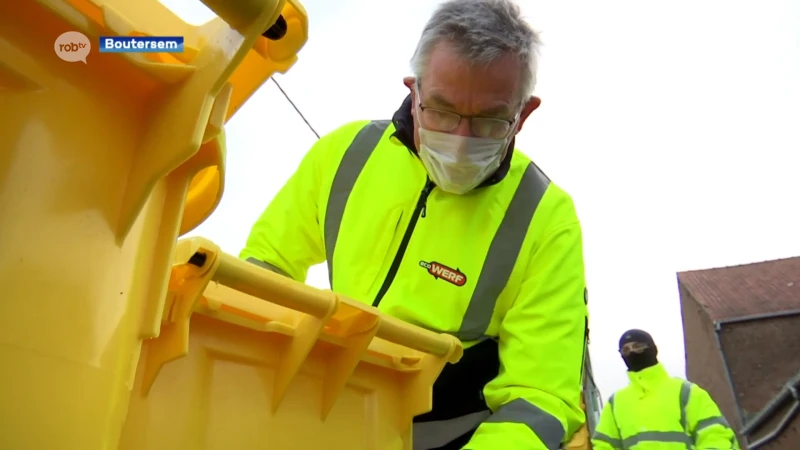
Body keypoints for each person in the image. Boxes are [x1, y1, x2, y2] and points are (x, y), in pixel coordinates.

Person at [241, 0, 589, 448]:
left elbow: (539, 396)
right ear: (413, 91)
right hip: (315, 420)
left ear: (523, 114)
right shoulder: (344, 155)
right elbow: (263, 269)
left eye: (488, 121)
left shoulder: (546, 218)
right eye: (441, 111)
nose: (460, 142)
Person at [592, 330, 741, 450]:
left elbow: (716, 436)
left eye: (638, 346)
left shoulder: (686, 392)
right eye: (626, 350)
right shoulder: (616, 402)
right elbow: (604, 445)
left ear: (653, 349)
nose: (631, 352)